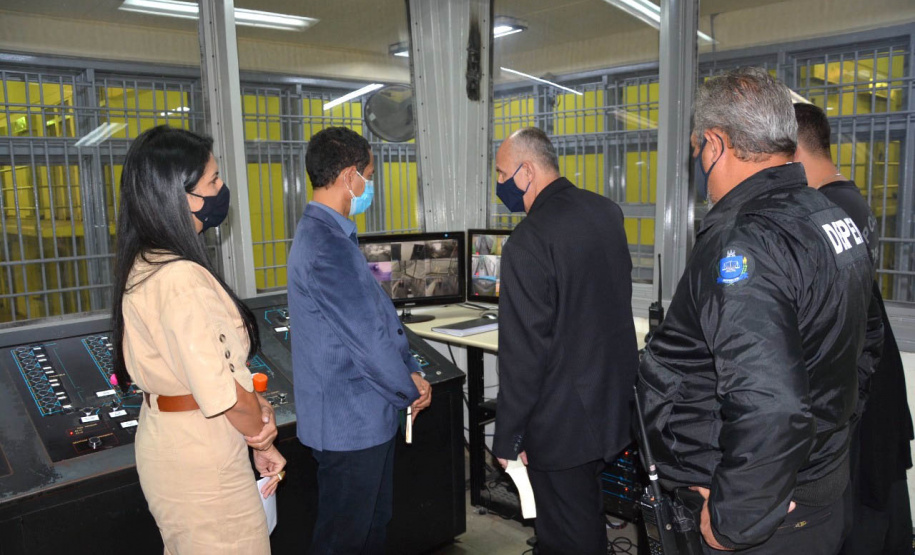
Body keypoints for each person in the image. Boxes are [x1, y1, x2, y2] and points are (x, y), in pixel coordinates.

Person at [637, 67, 875, 554]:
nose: (699, 161)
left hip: (760, 518)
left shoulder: (744, 242)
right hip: (813, 494)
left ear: (717, 144)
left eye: (698, 148)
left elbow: (771, 405)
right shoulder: (829, 216)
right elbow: (864, 352)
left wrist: (734, 518)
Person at [111, 125, 286, 554]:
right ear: (180, 195)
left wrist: (254, 413)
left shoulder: (147, 262)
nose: (222, 188)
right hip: (203, 457)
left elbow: (209, 375)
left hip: (176, 439)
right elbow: (222, 394)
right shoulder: (182, 278)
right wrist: (263, 435)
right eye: (212, 180)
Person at [491, 127, 639, 555]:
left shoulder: (527, 241)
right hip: (611, 405)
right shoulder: (605, 211)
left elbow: (523, 355)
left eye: (502, 174)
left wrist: (508, 439)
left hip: (562, 422)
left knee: (565, 537)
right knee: (586, 517)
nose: (499, 185)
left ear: (526, 172)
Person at [287, 126, 432, 555]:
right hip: (350, 426)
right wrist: (409, 388)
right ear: (350, 176)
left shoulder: (330, 235)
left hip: (362, 417)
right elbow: (367, 341)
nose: (370, 184)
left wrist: (411, 369)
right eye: (369, 173)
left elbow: (373, 320)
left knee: (371, 528)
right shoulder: (326, 245)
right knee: (345, 539)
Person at [794, 102, 912, 555]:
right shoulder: (851, 197)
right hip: (869, 379)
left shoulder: (824, 209)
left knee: (860, 523)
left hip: (859, 387)